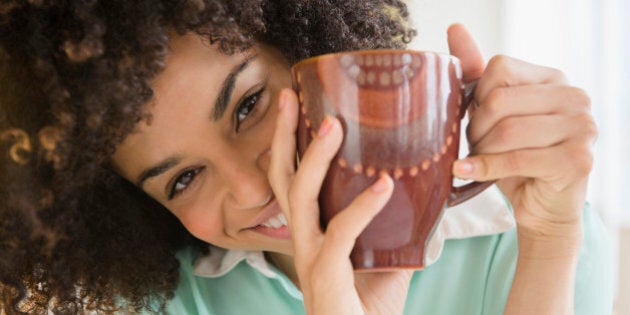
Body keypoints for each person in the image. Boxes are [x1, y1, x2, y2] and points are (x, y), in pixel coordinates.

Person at [0, 1, 613, 314]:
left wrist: (551, 240)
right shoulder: (176, 304)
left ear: (310, 48)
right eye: (183, 178)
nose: (252, 187)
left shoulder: (531, 231)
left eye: (247, 107)